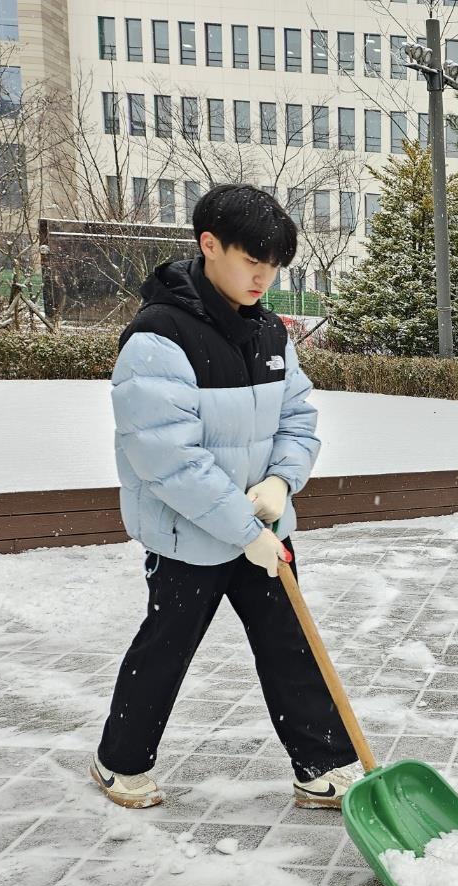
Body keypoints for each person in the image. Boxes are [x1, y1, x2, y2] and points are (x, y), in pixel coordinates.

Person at [93, 184, 358, 810]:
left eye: (274, 264)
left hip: (260, 526)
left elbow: (298, 419)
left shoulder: (269, 332)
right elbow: (166, 458)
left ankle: (322, 762)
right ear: (209, 245)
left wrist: (281, 482)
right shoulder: (159, 338)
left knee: (290, 643)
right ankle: (119, 761)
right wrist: (246, 528)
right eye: (251, 259)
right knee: (168, 647)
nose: (263, 275)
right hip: (189, 536)